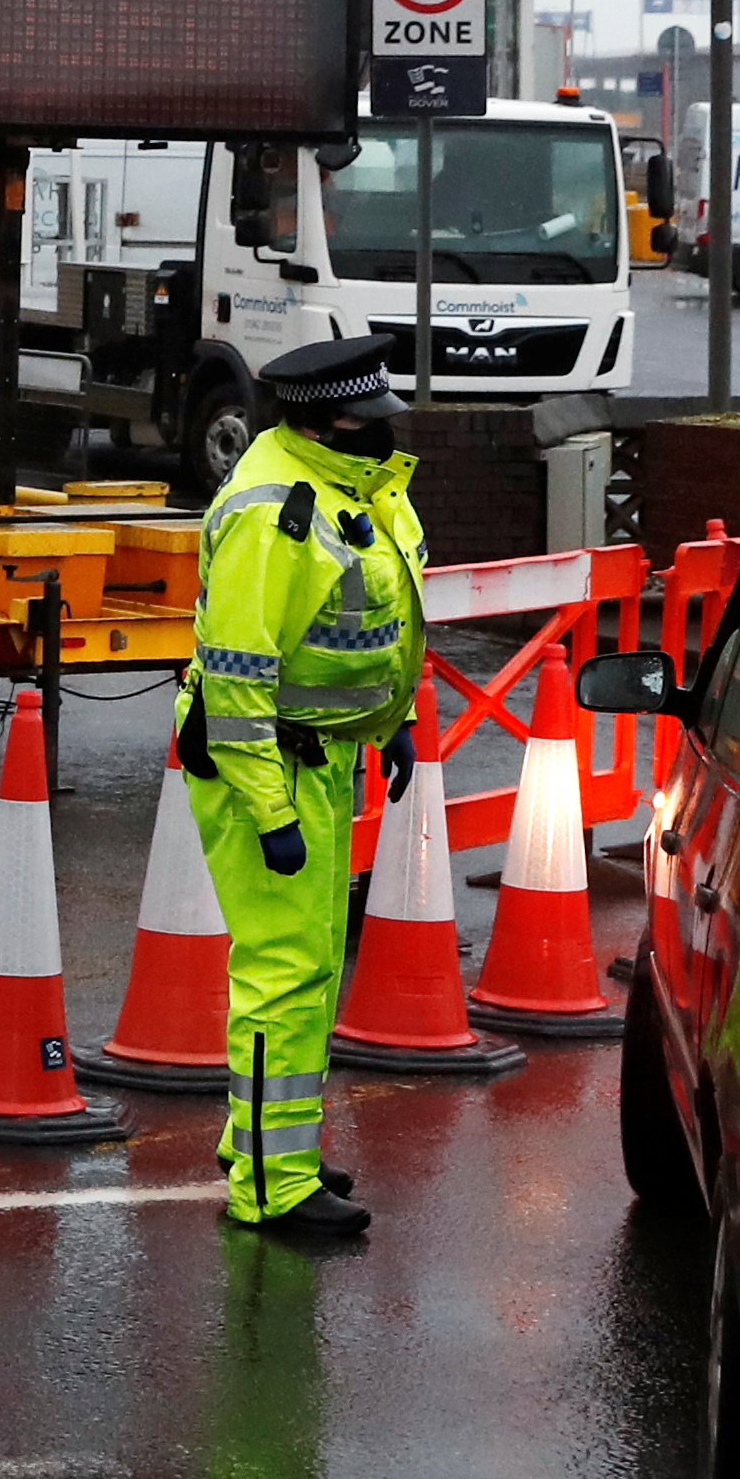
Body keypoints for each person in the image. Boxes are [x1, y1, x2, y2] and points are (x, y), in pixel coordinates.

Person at [184, 334, 443, 1246]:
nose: (382, 435)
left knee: (314, 967)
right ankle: (269, 1183)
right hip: (274, 767)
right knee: (283, 976)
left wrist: (395, 720)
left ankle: (266, 1145)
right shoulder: (273, 511)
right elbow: (237, 680)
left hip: (325, 758)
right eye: (364, 422)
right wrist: (270, 809)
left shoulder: (350, 489)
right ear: (322, 420)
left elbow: (373, 622)